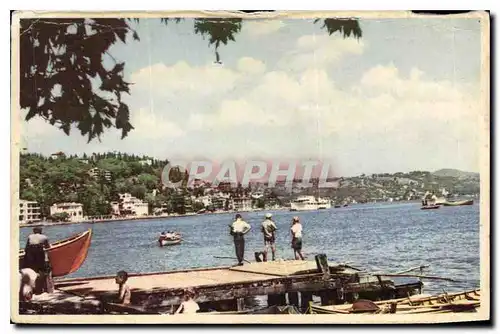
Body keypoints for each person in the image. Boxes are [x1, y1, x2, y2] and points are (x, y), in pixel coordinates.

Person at [22, 227, 53, 294]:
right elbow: (48, 247)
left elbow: (26, 248)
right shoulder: (44, 237)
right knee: (41, 269)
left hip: (30, 256)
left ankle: (33, 286)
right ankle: (40, 288)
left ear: (34, 231)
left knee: (33, 269)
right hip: (38, 255)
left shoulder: (30, 236)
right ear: (41, 231)